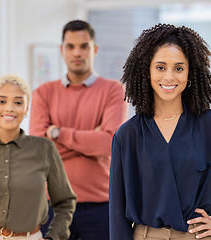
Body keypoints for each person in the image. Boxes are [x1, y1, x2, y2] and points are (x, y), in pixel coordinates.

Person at [109, 23, 211, 240]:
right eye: (160, 67)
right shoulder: (127, 135)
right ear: (147, 72)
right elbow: (116, 212)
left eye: (178, 68)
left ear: (190, 74)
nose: (169, 77)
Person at [29, 20, 128, 240]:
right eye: (71, 46)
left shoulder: (113, 90)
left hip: (102, 206)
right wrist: (91, 140)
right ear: (62, 51)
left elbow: (110, 144)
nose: (77, 52)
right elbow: (37, 151)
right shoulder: (43, 93)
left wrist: (57, 134)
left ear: (94, 50)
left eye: (84, 46)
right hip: (52, 205)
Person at [0, 74, 76, 240]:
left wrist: (53, 236)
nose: (9, 108)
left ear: (27, 109)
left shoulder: (44, 148)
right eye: (2, 101)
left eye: (18, 102)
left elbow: (65, 201)